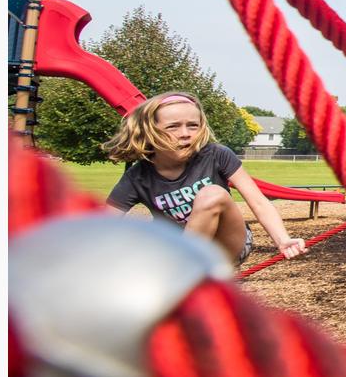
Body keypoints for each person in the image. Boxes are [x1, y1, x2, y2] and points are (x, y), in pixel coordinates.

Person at [104, 91, 306, 265]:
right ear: (149, 131)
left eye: (193, 125)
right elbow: (102, 225)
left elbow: (259, 202)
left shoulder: (216, 155)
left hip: (227, 244)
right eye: (173, 127)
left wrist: (282, 240)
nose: (185, 134)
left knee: (212, 194)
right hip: (175, 248)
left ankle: (182, 273)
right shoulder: (138, 177)